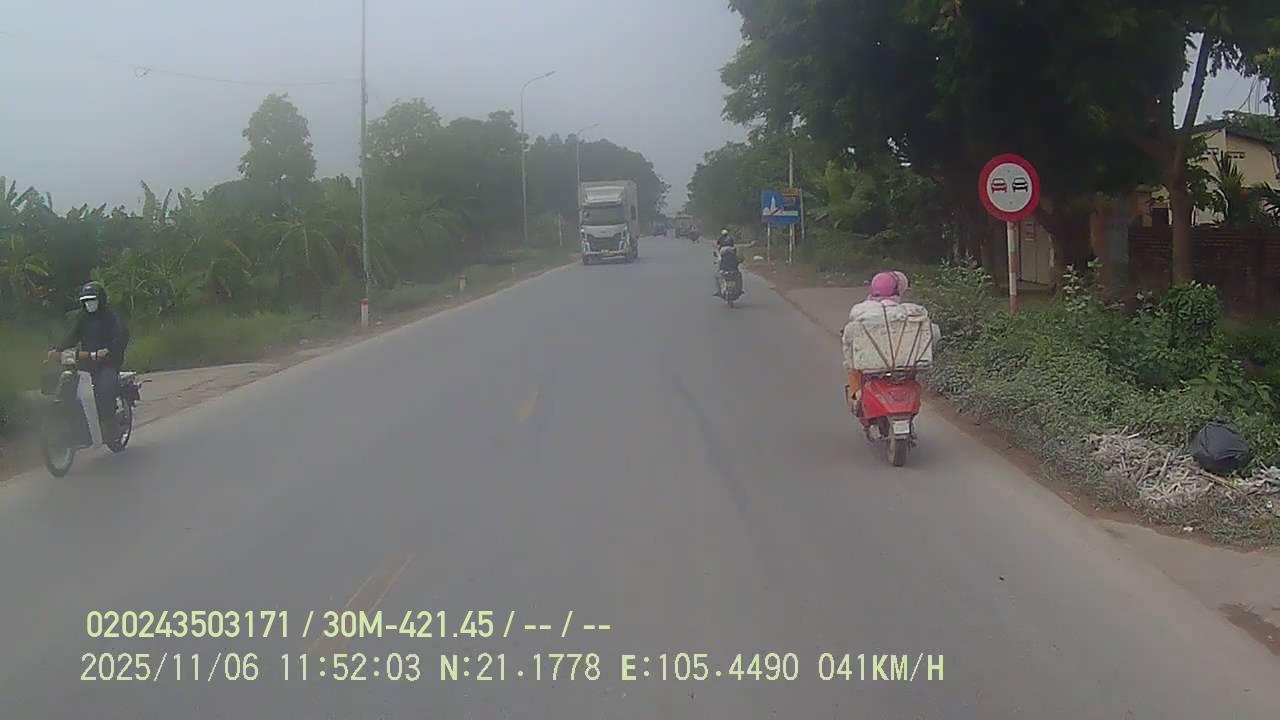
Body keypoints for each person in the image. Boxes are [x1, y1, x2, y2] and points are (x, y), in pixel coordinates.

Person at [51, 281, 129, 440]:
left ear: (101, 300)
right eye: (86, 301)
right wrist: (57, 349)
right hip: (87, 361)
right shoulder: (83, 317)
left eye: (92, 300)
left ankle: (110, 426)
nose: (89, 303)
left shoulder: (111, 316)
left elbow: (121, 335)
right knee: (67, 384)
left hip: (109, 362)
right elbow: (71, 335)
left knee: (103, 390)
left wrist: (109, 349)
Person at [713, 230, 742, 297]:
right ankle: (739, 290)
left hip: (725, 270)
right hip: (733, 271)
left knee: (717, 276)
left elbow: (717, 245)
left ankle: (719, 291)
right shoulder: (731, 240)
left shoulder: (721, 255)